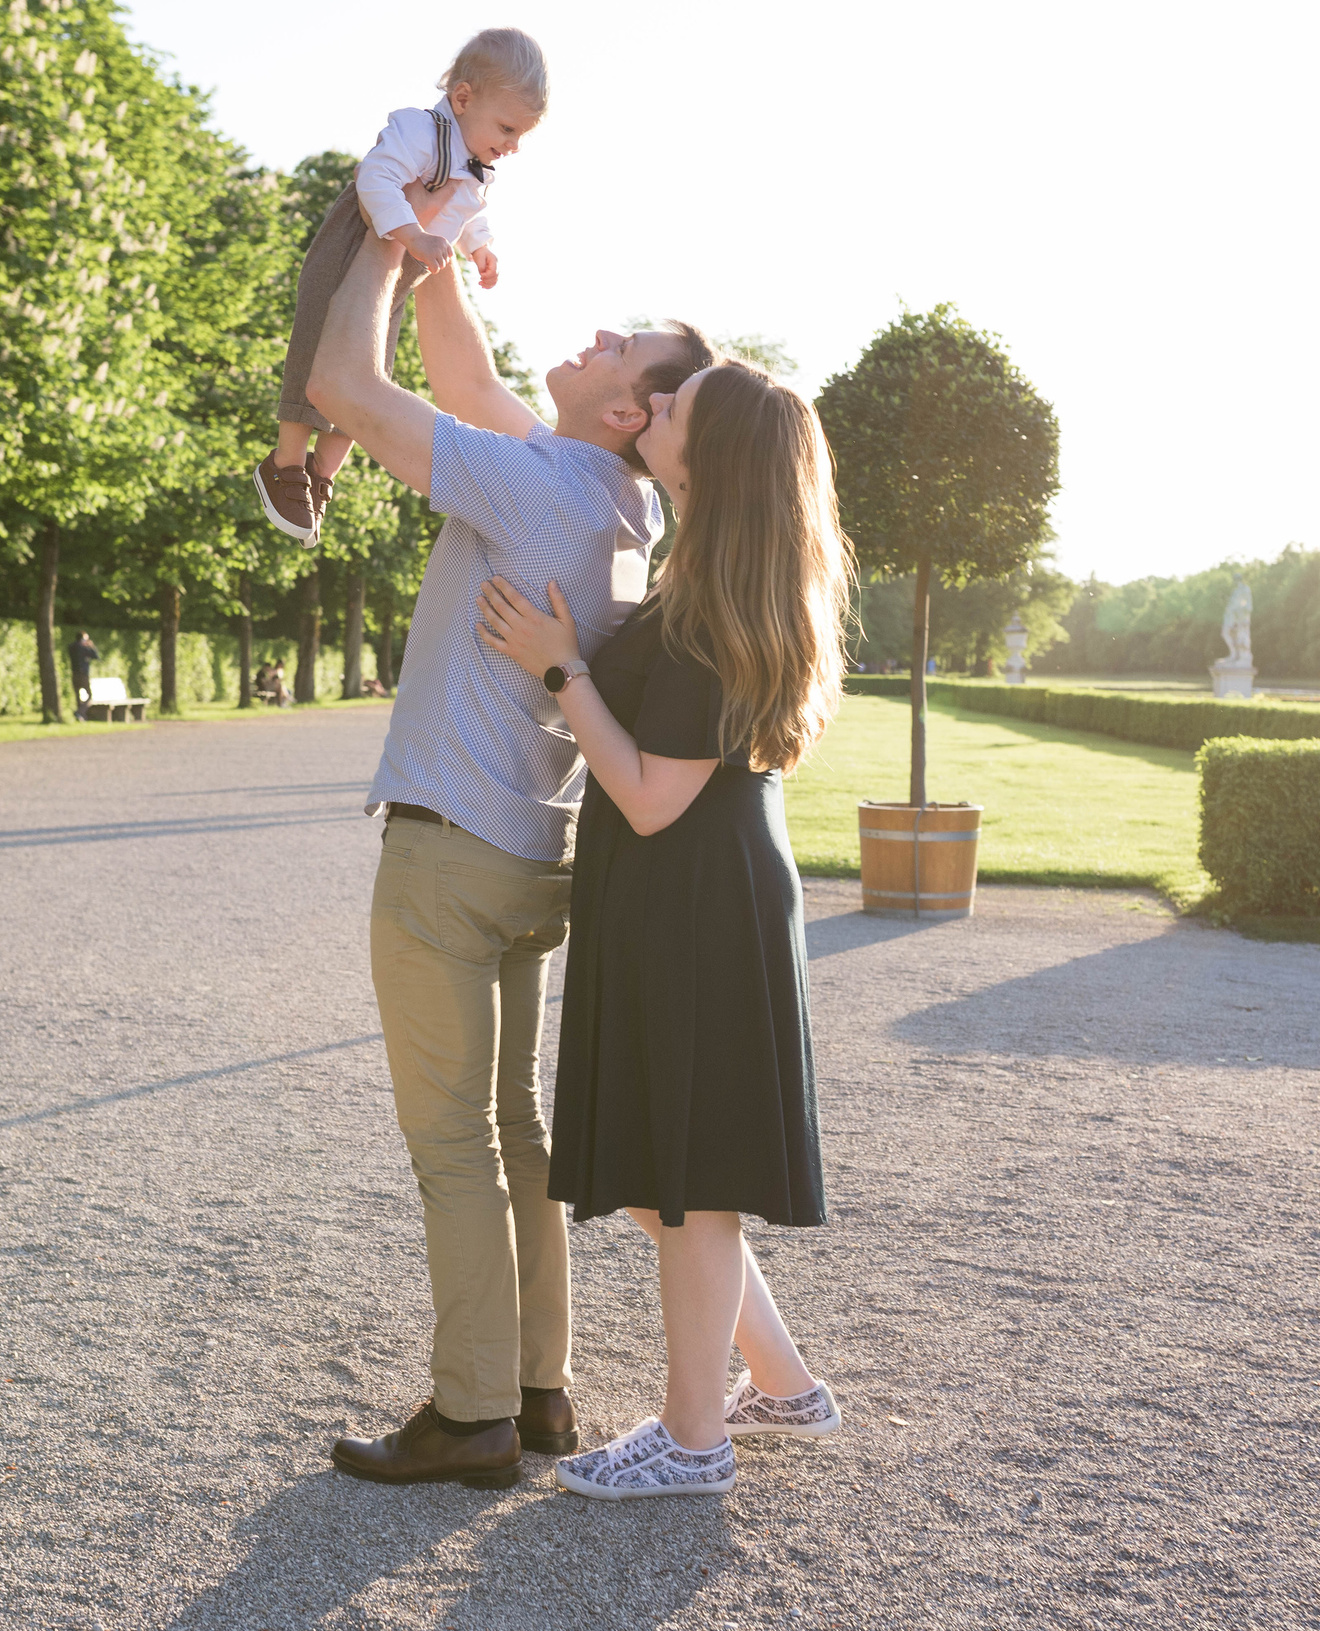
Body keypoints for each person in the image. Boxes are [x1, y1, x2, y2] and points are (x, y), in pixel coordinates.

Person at [303, 174, 713, 1488]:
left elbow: (343, 392)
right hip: (531, 852)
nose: (588, 336)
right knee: (514, 1129)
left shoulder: (539, 491)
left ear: (629, 408)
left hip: (448, 852)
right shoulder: (607, 501)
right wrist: (443, 267)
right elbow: (467, 383)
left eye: (613, 345)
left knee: (453, 1143)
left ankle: (471, 1408)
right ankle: (539, 1390)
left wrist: (382, 234)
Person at [476, 361, 850, 1499]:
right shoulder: (713, 581)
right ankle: (779, 1382)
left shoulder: (718, 615)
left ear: (716, 456)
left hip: (697, 905)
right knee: (667, 1173)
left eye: (680, 405)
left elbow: (646, 794)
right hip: (680, 900)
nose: (661, 409)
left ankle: (694, 1442)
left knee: (685, 1182)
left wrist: (559, 671)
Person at [255, 28, 546, 549]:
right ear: (462, 98)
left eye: (521, 134)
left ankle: (323, 473)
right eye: (507, 127)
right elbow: (377, 177)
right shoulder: (422, 130)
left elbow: (468, 209)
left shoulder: (480, 163)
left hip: (401, 270)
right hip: (359, 240)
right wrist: (412, 232)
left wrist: (479, 247)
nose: (513, 145)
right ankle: (285, 463)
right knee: (316, 344)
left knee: (374, 370)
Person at [67, 630, 99, 713]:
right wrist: (91, 646)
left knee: (77, 695)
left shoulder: (71, 647)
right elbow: (96, 656)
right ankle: (80, 712)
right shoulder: (84, 648)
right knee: (89, 695)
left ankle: (80, 714)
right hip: (83, 674)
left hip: (74, 673)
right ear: (82, 639)